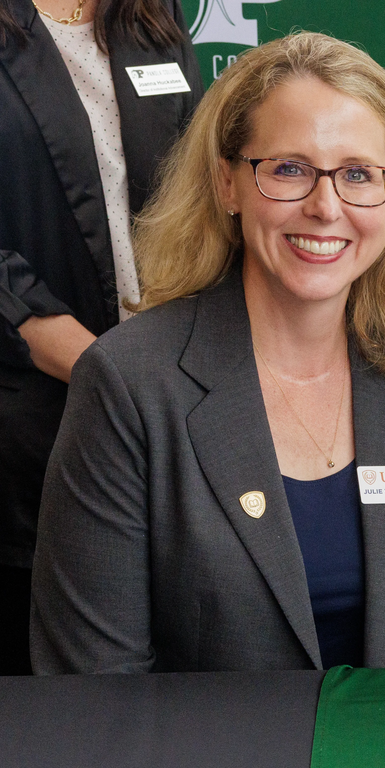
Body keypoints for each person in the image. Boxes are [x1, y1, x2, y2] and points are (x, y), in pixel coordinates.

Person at [30, 32, 385, 673]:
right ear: (227, 184)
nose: (325, 207)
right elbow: (95, 689)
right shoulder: (130, 385)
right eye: (289, 169)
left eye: (358, 174)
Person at [0, 0, 200, 674]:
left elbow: (195, 188)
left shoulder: (149, 13)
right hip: (26, 417)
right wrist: (111, 372)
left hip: (161, 411)